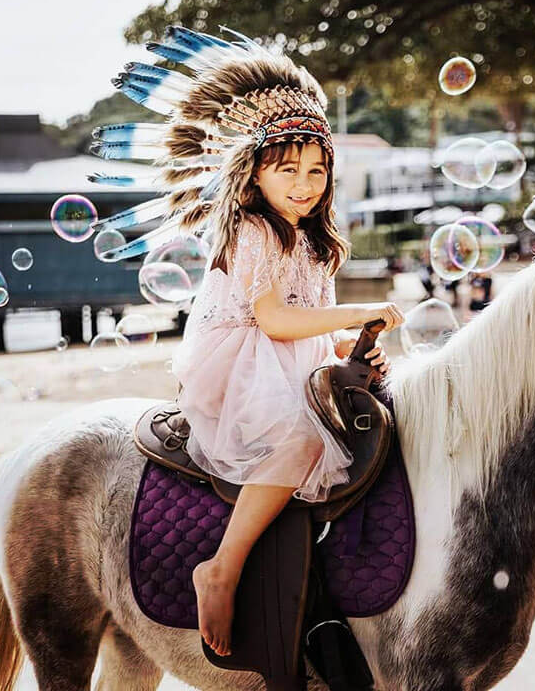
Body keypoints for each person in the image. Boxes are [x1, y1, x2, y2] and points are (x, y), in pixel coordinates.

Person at [166, 45, 404, 658]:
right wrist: (357, 311)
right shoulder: (254, 229)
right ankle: (220, 568)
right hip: (242, 360)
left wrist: (357, 347)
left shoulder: (316, 242)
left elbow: (314, 330)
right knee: (301, 443)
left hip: (293, 358)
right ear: (256, 174)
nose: (303, 184)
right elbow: (272, 320)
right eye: (287, 170)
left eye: (316, 171)